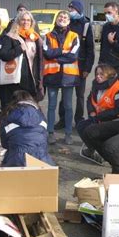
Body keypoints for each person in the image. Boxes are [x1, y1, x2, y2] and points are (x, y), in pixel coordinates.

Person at [55, 0, 95, 130]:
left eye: (72, 9)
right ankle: (63, 119)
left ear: (79, 10)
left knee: (80, 95)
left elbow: (91, 49)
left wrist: (88, 68)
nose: (70, 11)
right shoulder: (67, 23)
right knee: (65, 93)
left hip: (81, 66)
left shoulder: (86, 25)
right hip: (66, 65)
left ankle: (79, 120)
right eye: (69, 9)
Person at [77, 64, 119, 165]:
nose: (98, 76)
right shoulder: (96, 85)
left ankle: (102, 153)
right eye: (96, 74)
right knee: (81, 125)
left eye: (101, 74)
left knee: (90, 130)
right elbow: (89, 100)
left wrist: (100, 116)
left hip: (113, 120)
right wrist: (91, 111)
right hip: (98, 117)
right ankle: (93, 150)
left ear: (109, 75)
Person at [43, 11, 80, 145]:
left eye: (65, 17)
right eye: (60, 17)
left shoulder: (74, 36)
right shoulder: (47, 36)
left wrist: (56, 57)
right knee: (51, 106)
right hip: (52, 76)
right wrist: (61, 52)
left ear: (69, 21)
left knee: (68, 106)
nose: (62, 19)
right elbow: (47, 53)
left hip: (68, 77)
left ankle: (68, 134)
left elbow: (73, 56)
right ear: (56, 19)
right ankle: (50, 133)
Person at [0, 10, 44, 108]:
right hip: (15, 82)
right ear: (18, 21)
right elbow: (4, 55)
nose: (26, 22)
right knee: (13, 109)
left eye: (28, 20)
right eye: (23, 20)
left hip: (31, 80)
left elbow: (39, 60)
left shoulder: (35, 38)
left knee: (29, 109)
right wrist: (19, 48)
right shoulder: (10, 36)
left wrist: (39, 81)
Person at [0, 90, 54, 167]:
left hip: (16, 160)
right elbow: (45, 139)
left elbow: (4, 144)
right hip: (42, 160)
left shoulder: (8, 116)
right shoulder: (40, 116)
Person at [98, 2, 119, 83]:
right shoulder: (106, 27)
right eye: (105, 13)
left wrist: (113, 43)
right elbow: (103, 47)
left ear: (116, 11)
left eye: (109, 12)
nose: (107, 15)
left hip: (118, 68)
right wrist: (100, 63)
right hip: (105, 67)